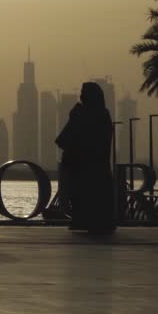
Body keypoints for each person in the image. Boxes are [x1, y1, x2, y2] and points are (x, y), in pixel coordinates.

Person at [55, 83, 116, 235]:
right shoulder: (103, 114)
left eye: (84, 93)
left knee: (87, 194)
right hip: (96, 168)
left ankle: (86, 219)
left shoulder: (83, 114)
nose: (81, 96)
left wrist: (75, 116)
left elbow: (65, 140)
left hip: (86, 167)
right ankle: (93, 220)